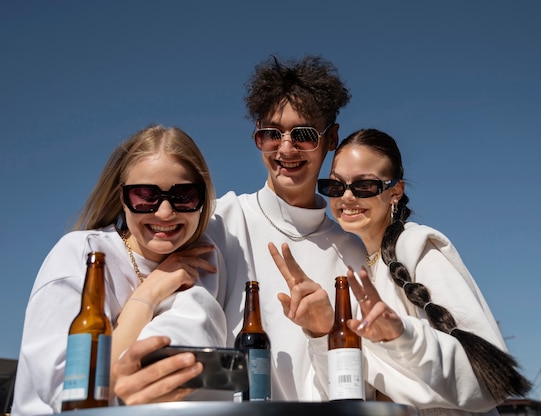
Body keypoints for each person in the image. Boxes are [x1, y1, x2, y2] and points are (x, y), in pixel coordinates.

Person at [111, 54, 367, 404]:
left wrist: (322, 333)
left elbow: (354, 383)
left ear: (331, 137)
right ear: (256, 138)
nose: (286, 148)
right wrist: (160, 362)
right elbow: (191, 311)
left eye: (304, 134)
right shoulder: (222, 221)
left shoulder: (352, 253)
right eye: (271, 134)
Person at [270, 128, 531, 415]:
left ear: (395, 191)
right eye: (335, 186)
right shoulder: (360, 267)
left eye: (364, 185)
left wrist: (401, 335)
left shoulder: (418, 247)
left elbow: (487, 383)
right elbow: (347, 393)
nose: (346, 197)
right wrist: (321, 332)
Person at [12, 125, 227, 415]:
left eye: (184, 196)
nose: (165, 212)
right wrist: (148, 295)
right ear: (121, 197)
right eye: (145, 196)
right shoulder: (82, 255)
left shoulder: (202, 262)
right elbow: (70, 395)